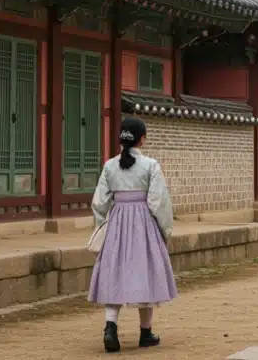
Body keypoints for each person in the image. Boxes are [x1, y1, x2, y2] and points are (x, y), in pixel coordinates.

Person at [88, 117, 177, 353]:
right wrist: (165, 230)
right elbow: (158, 203)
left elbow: (99, 203)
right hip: (143, 224)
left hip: (117, 221)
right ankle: (145, 332)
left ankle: (110, 327)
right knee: (145, 272)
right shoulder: (150, 166)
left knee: (114, 272)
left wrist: (103, 225)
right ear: (142, 139)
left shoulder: (109, 166)